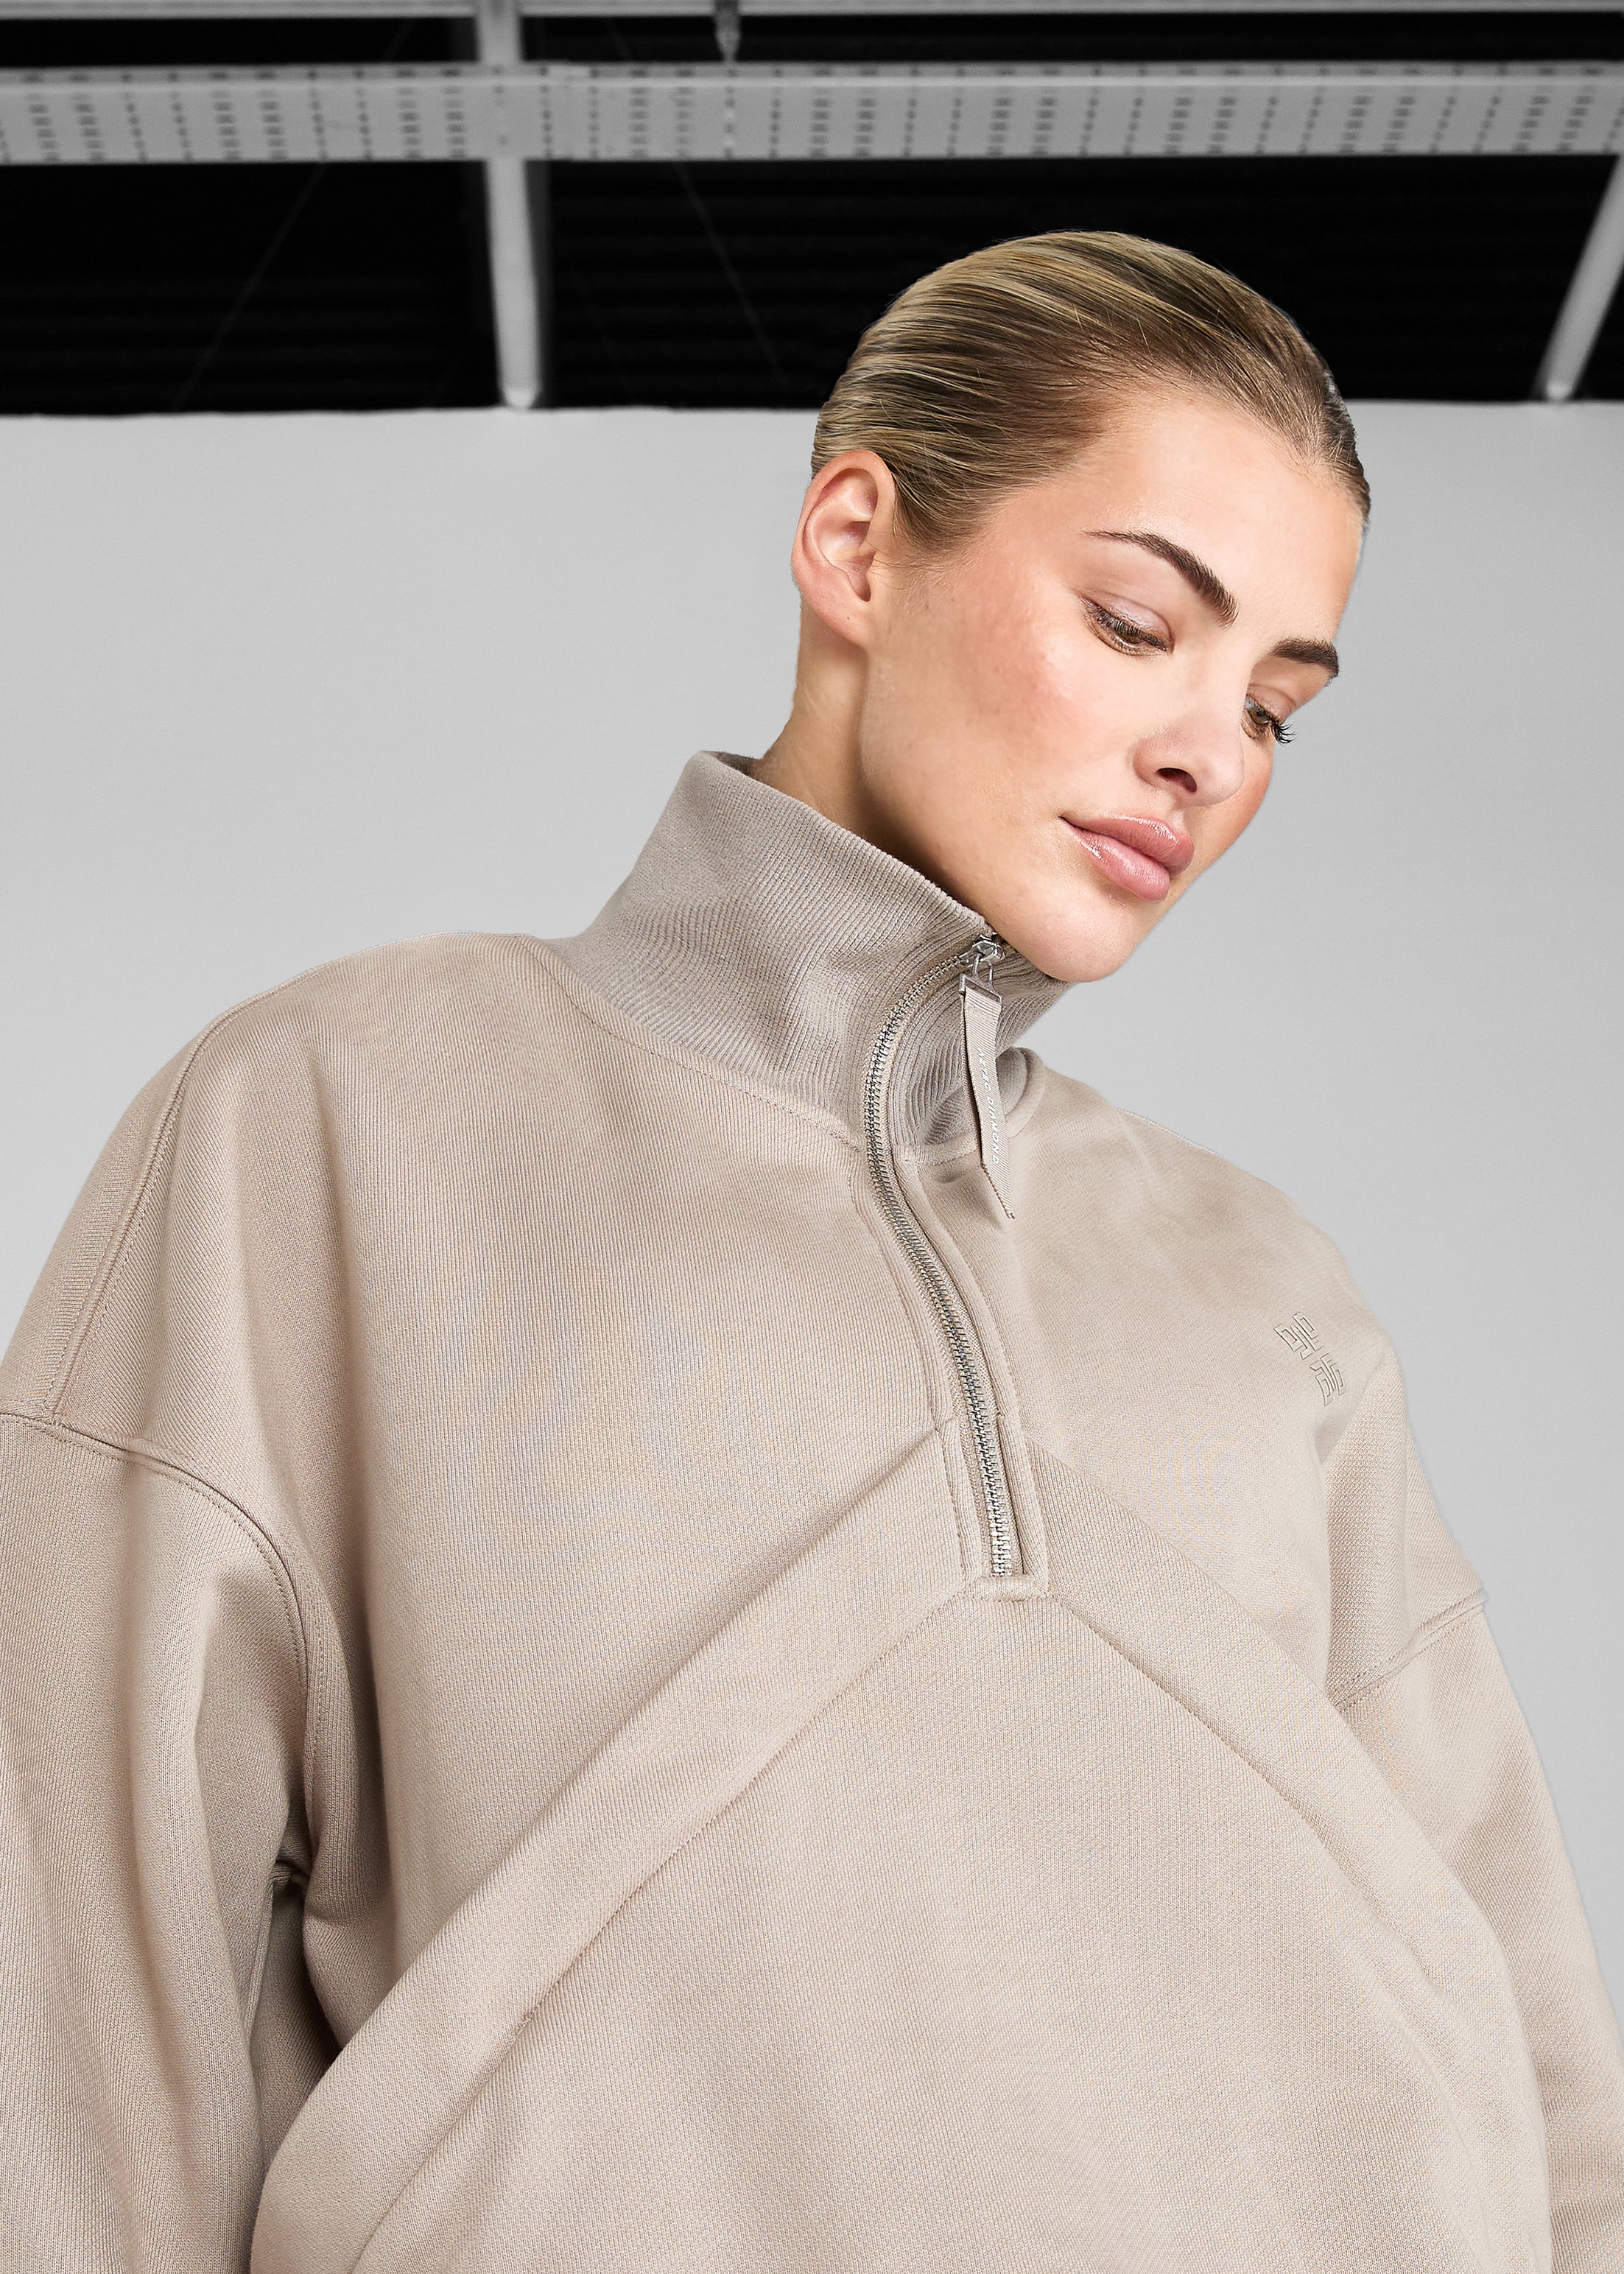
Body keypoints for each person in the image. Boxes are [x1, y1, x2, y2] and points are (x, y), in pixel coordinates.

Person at [1, 230, 1620, 2273]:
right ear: (857, 545)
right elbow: (68, 1980)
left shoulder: (1265, 1289)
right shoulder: (335, 1120)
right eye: (1137, 624)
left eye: (1277, 708)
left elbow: (1529, 2042)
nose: (1211, 758)